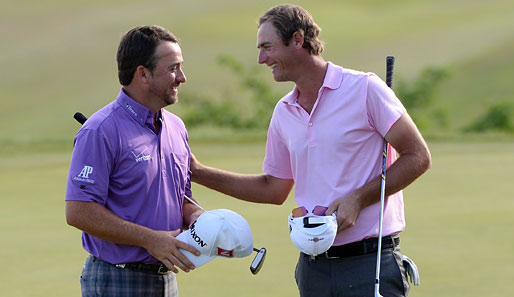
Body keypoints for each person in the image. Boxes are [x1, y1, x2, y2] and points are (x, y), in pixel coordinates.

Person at [190, 4, 431, 297]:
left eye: (267, 47)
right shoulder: (283, 112)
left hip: (370, 262)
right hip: (313, 268)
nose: (261, 59)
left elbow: (418, 156)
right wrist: (197, 172)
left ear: (297, 40)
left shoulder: (365, 89)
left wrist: (359, 198)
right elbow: (273, 189)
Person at [65, 25, 204, 297]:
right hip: (116, 277)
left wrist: (197, 216)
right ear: (143, 74)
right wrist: (150, 239)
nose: (182, 78)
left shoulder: (176, 128)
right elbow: (79, 211)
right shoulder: (100, 130)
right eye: (173, 68)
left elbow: (180, 197)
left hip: (165, 279)